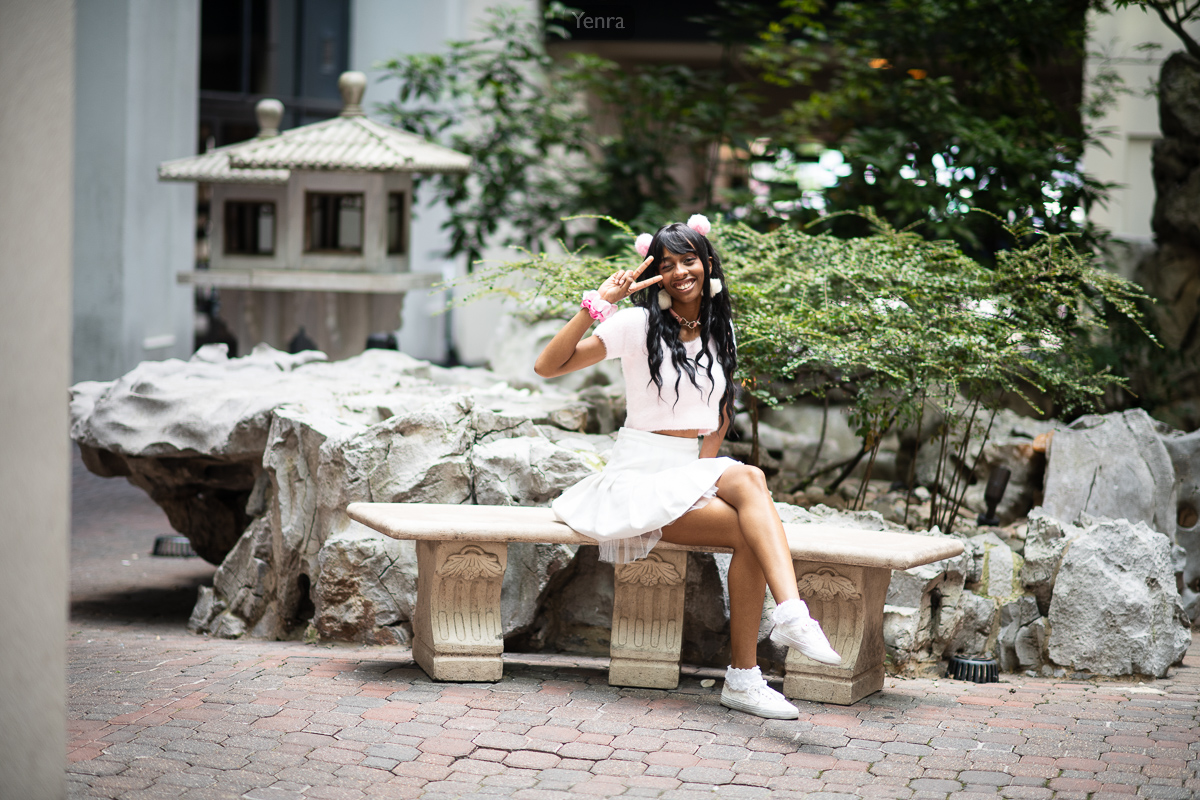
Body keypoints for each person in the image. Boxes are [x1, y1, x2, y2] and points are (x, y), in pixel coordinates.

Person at [534, 216, 841, 720]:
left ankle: (745, 678)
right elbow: (549, 365)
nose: (680, 272)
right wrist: (598, 303)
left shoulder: (722, 329)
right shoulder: (635, 326)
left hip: (687, 472)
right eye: (668, 263)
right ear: (654, 272)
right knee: (751, 478)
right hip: (637, 474)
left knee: (748, 529)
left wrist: (699, 480)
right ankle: (788, 617)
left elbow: (719, 415)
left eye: (689, 260)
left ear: (708, 265)